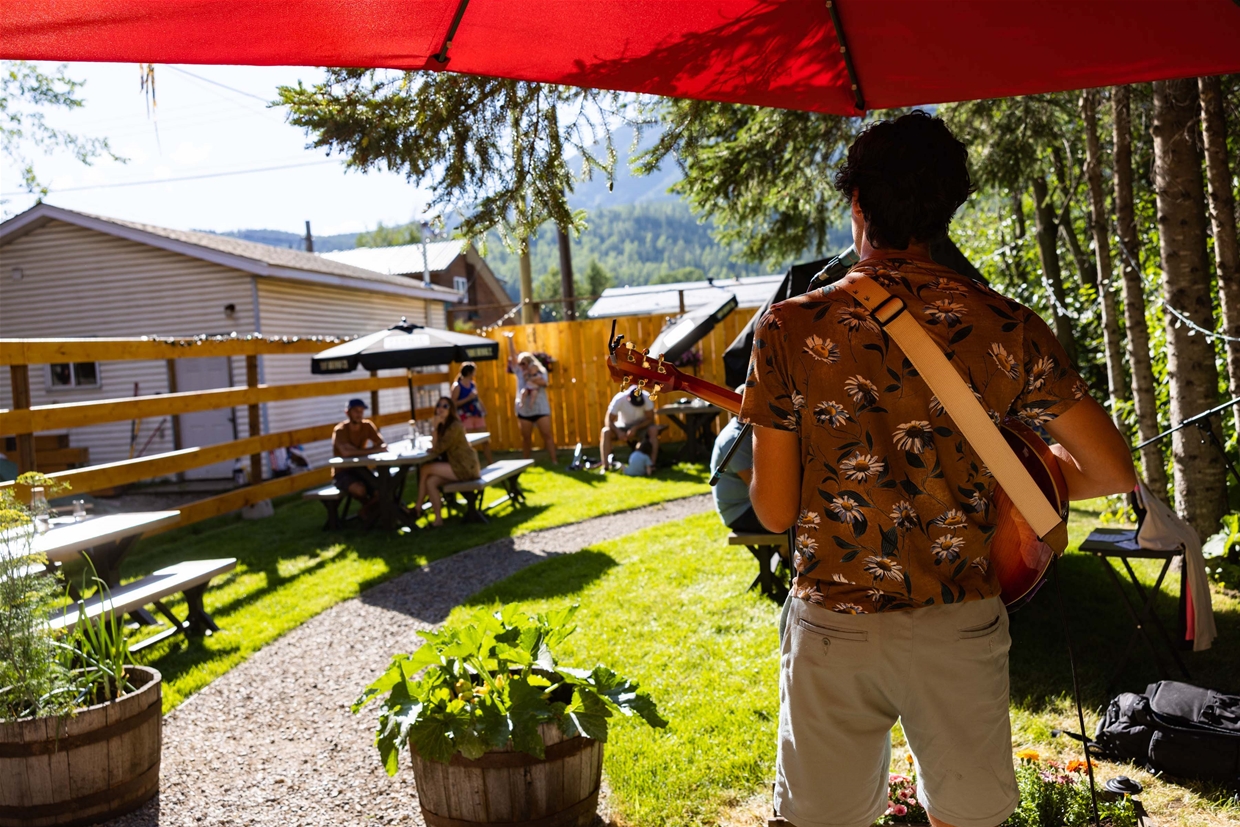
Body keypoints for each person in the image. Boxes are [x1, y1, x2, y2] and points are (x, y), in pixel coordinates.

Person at [739, 111, 1136, 827]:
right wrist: (1030, 474)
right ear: (949, 206)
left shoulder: (789, 327)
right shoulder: (1006, 322)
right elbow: (1111, 469)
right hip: (959, 619)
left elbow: (771, 511)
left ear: (858, 205)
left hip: (835, 623)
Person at [412, 396, 482, 527]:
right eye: (439, 405)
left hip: (465, 467)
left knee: (425, 469)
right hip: (455, 466)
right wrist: (436, 429)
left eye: (445, 406)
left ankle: (418, 507)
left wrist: (434, 428)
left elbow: (437, 449)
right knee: (430, 481)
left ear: (451, 410)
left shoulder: (454, 426)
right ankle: (438, 519)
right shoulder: (443, 426)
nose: (441, 408)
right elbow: (435, 448)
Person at [710, 389, 763, 533]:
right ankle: (783, 553)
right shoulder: (734, 439)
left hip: (749, 506)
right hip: (739, 511)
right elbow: (758, 487)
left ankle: (783, 554)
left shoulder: (747, 432)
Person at [504, 333, 558, 463]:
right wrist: (510, 340)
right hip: (524, 411)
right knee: (526, 438)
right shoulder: (519, 372)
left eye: (524, 363)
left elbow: (544, 383)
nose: (521, 366)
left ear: (530, 363)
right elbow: (512, 356)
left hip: (540, 409)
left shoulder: (540, 371)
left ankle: (554, 460)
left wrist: (531, 377)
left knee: (547, 435)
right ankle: (525, 462)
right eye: (520, 364)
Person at [331, 398, 386, 506]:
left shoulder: (367, 425)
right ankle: (369, 511)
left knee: (380, 489)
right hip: (343, 472)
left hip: (361, 469)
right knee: (360, 490)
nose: (359, 414)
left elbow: (381, 444)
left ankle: (370, 512)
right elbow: (346, 453)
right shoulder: (340, 430)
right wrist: (373, 450)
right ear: (347, 413)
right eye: (356, 411)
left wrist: (360, 451)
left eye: (361, 411)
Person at [600, 384, 659, 472]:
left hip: (641, 425)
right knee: (605, 431)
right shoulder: (619, 398)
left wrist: (636, 427)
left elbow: (650, 419)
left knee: (653, 430)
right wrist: (618, 431)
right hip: (623, 425)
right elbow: (608, 420)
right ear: (628, 397)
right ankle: (605, 467)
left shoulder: (647, 397)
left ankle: (651, 465)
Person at [452, 361, 493, 464]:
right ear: (470, 372)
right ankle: (467, 463)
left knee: (485, 439)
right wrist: (468, 398)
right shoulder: (457, 386)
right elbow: (453, 403)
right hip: (465, 416)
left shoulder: (472, 384)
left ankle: (490, 462)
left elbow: (477, 398)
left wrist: (483, 409)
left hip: (476, 414)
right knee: (467, 442)